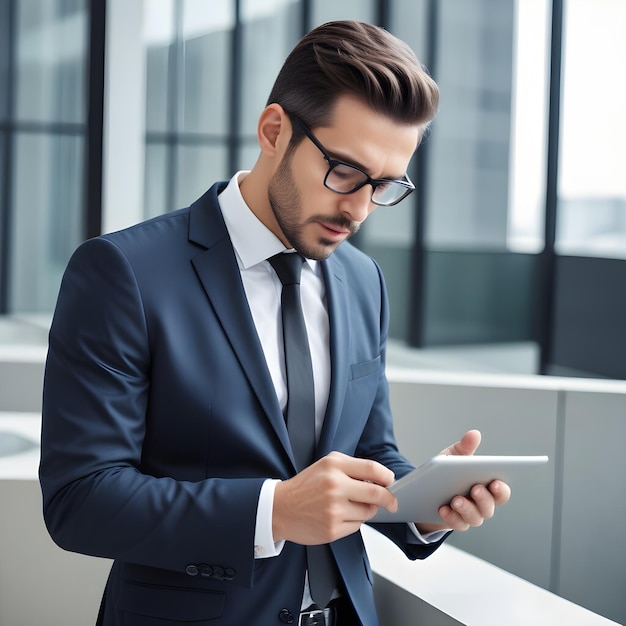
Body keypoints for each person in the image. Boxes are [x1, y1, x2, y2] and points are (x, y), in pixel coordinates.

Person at [39, 20, 510, 626]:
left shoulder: (363, 280)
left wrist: (420, 505)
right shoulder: (124, 272)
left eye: (385, 185)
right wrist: (274, 511)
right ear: (273, 131)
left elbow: (368, 452)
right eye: (344, 171)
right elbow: (81, 500)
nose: (360, 208)